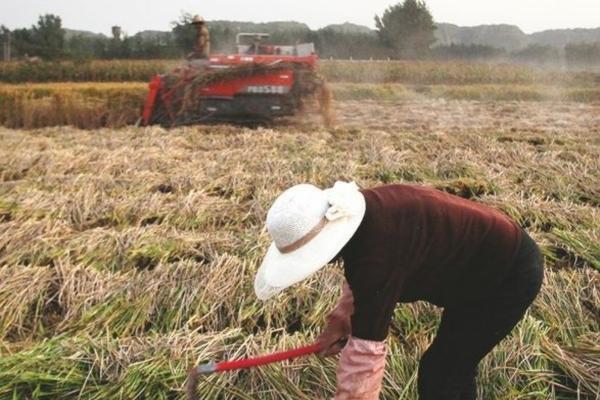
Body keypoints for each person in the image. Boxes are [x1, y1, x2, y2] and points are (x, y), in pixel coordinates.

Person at [254, 182, 544, 400]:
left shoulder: (375, 258)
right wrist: (339, 323)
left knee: (446, 369)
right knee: (444, 370)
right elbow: (363, 282)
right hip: (472, 269)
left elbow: (366, 355)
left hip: (506, 275)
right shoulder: (361, 219)